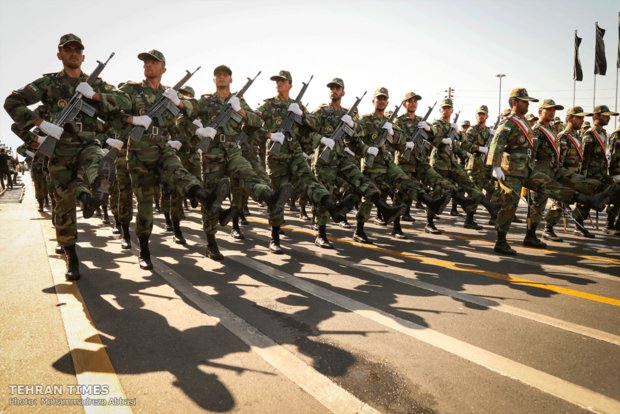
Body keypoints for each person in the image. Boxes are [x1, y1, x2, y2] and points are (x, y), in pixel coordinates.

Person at [4, 33, 130, 280]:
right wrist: (40, 124)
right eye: (68, 49)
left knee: (97, 161)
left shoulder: (96, 83)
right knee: (63, 207)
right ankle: (72, 256)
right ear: (59, 55)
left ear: (83, 56)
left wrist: (94, 95)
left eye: (77, 50)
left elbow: (124, 100)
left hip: (87, 142)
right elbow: (12, 101)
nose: (73, 53)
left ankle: (98, 189)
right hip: (60, 149)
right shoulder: (48, 83)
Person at [119, 49, 223, 269]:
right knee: (145, 203)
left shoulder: (169, 94)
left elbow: (196, 108)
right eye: (146, 62)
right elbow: (111, 108)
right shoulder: (132, 90)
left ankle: (205, 197)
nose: (148, 64)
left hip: (163, 147)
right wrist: (133, 119)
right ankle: (144, 252)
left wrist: (179, 102)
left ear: (163, 69)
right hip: (139, 151)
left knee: (178, 172)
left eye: (153, 62)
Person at [486, 88, 607, 255]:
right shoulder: (509, 122)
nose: (527, 104)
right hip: (512, 171)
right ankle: (500, 241)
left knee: (549, 185)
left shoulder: (523, 123)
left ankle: (585, 198)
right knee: (509, 204)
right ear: (514, 102)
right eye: (524, 101)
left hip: (526, 169)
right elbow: (497, 143)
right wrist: (496, 167)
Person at [192, 64, 292, 259]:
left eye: (225, 75)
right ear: (214, 80)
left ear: (230, 79)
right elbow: (184, 115)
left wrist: (241, 112)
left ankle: (269, 197)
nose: (221, 78)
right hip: (212, 152)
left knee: (247, 172)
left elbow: (256, 121)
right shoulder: (205, 102)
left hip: (232, 149)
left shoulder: (239, 102)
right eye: (218, 75)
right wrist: (197, 131)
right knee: (212, 196)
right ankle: (211, 243)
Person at [257, 70, 354, 253]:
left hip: (295, 154)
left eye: (283, 81)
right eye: (277, 81)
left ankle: (333, 207)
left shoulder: (298, 105)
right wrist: (269, 135)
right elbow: (252, 123)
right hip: (277, 157)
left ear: (290, 85)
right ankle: (274, 237)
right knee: (279, 196)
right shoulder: (269, 105)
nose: (279, 83)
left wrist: (301, 115)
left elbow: (315, 124)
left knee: (312, 181)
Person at [312, 78, 403, 247]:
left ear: (343, 92)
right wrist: (321, 139)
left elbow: (356, 138)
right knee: (326, 195)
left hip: (341, 158)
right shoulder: (321, 111)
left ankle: (384, 209)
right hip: (324, 160)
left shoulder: (348, 114)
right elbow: (306, 128)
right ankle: (321, 234)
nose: (334, 90)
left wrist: (365, 149)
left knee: (364, 183)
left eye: (337, 88)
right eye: (331, 88)